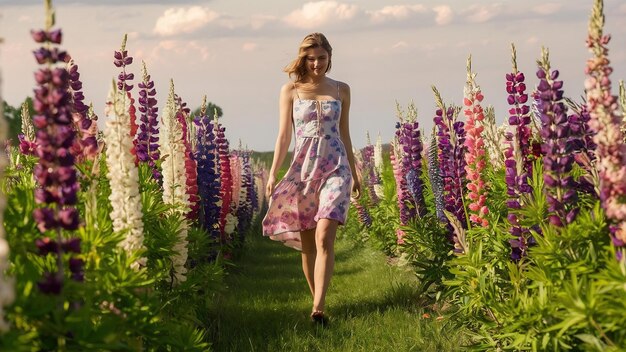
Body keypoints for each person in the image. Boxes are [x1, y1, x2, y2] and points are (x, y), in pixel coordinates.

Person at [261, 32, 360, 325]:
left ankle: (318, 306)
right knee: (308, 246)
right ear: (304, 59)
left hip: (336, 168)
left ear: (330, 58)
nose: (316, 63)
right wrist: (272, 174)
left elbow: (345, 133)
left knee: (324, 234)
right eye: (311, 58)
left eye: (322, 58)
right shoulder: (290, 90)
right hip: (303, 172)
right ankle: (318, 301)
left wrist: (354, 172)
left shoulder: (342, 90)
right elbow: (283, 137)